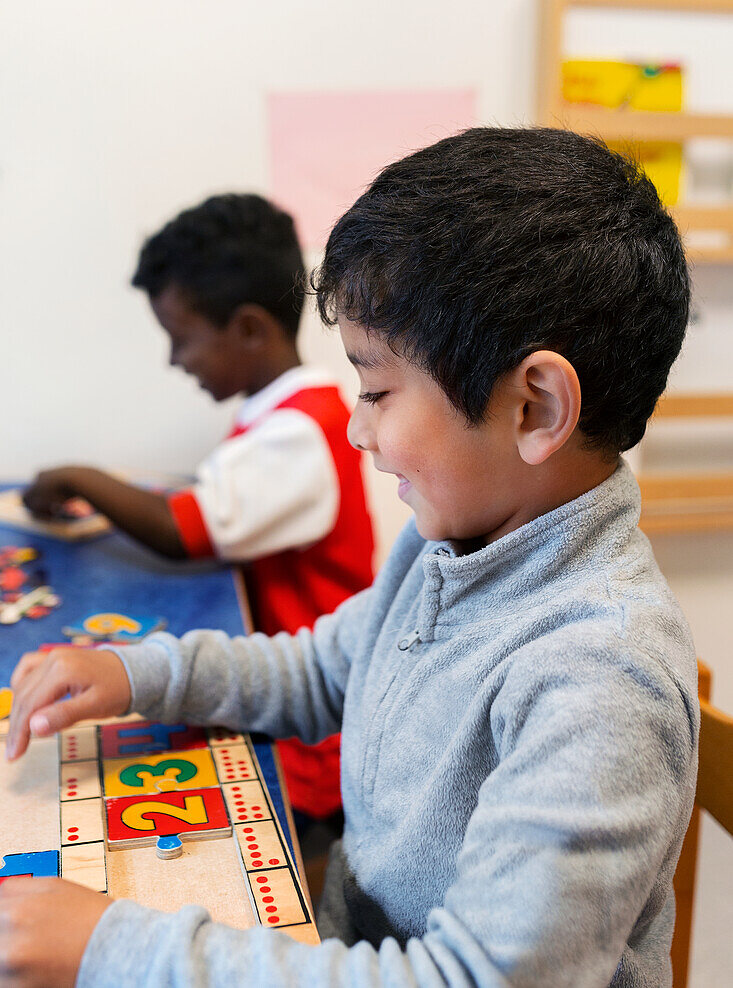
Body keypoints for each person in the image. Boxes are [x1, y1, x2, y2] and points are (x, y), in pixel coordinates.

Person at [3, 128, 697, 988]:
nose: (357, 430)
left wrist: (118, 949)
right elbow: (325, 670)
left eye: (375, 391)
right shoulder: (453, 542)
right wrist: (139, 673)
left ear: (534, 407)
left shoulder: (600, 683)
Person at [21, 192, 375, 826]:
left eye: (181, 339)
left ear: (247, 328)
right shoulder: (276, 416)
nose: (173, 360)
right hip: (277, 690)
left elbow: (182, 532)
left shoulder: (302, 434)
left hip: (309, 741)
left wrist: (83, 477)